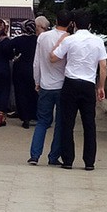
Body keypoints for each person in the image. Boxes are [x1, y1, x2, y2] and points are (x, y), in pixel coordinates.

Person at [50, 9, 107, 171]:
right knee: (89, 124)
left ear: (74, 24)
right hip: (88, 85)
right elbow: (103, 66)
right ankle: (89, 162)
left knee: (67, 123)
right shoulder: (98, 42)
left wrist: (60, 41)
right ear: (89, 25)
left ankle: (68, 160)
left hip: (70, 84)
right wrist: (101, 86)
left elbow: (53, 58)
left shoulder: (70, 40)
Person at [27, 10, 73, 166]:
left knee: (42, 121)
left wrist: (37, 81)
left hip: (45, 85)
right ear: (70, 23)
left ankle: (34, 155)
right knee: (60, 123)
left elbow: (36, 62)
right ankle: (53, 157)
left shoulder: (42, 37)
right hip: (62, 86)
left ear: (55, 20)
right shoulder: (69, 39)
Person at [10, 20, 39, 129]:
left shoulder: (18, 40)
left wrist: (15, 56)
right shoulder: (37, 40)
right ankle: (34, 115)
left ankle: (24, 117)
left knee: (21, 93)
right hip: (33, 69)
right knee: (33, 93)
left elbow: (8, 49)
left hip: (20, 69)